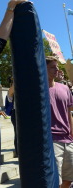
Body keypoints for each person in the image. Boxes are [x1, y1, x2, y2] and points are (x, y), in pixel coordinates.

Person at [46, 56, 73, 188]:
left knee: (69, 180)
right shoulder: (37, 91)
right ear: (43, 68)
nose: (56, 69)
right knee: (56, 180)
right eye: (52, 67)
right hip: (52, 141)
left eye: (57, 66)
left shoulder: (65, 88)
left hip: (68, 140)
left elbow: (69, 114)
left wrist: (72, 134)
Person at [6, 81, 18, 157]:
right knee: (18, 133)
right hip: (16, 113)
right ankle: (19, 152)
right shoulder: (11, 92)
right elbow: (10, 92)